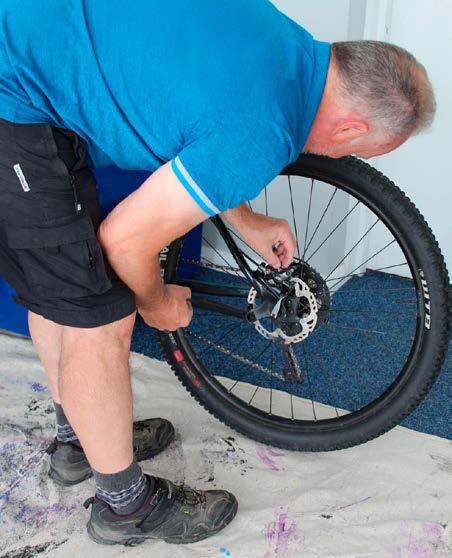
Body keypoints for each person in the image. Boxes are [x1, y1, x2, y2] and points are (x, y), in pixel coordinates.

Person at [0, 0, 435, 547]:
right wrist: (156, 303)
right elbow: (124, 240)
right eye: (370, 150)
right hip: (13, 93)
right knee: (97, 316)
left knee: (62, 284)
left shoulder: (283, 41)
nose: (359, 159)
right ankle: (124, 507)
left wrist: (245, 218)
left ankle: (78, 444)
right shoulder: (261, 129)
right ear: (351, 127)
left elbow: (204, 115)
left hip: (38, 49)